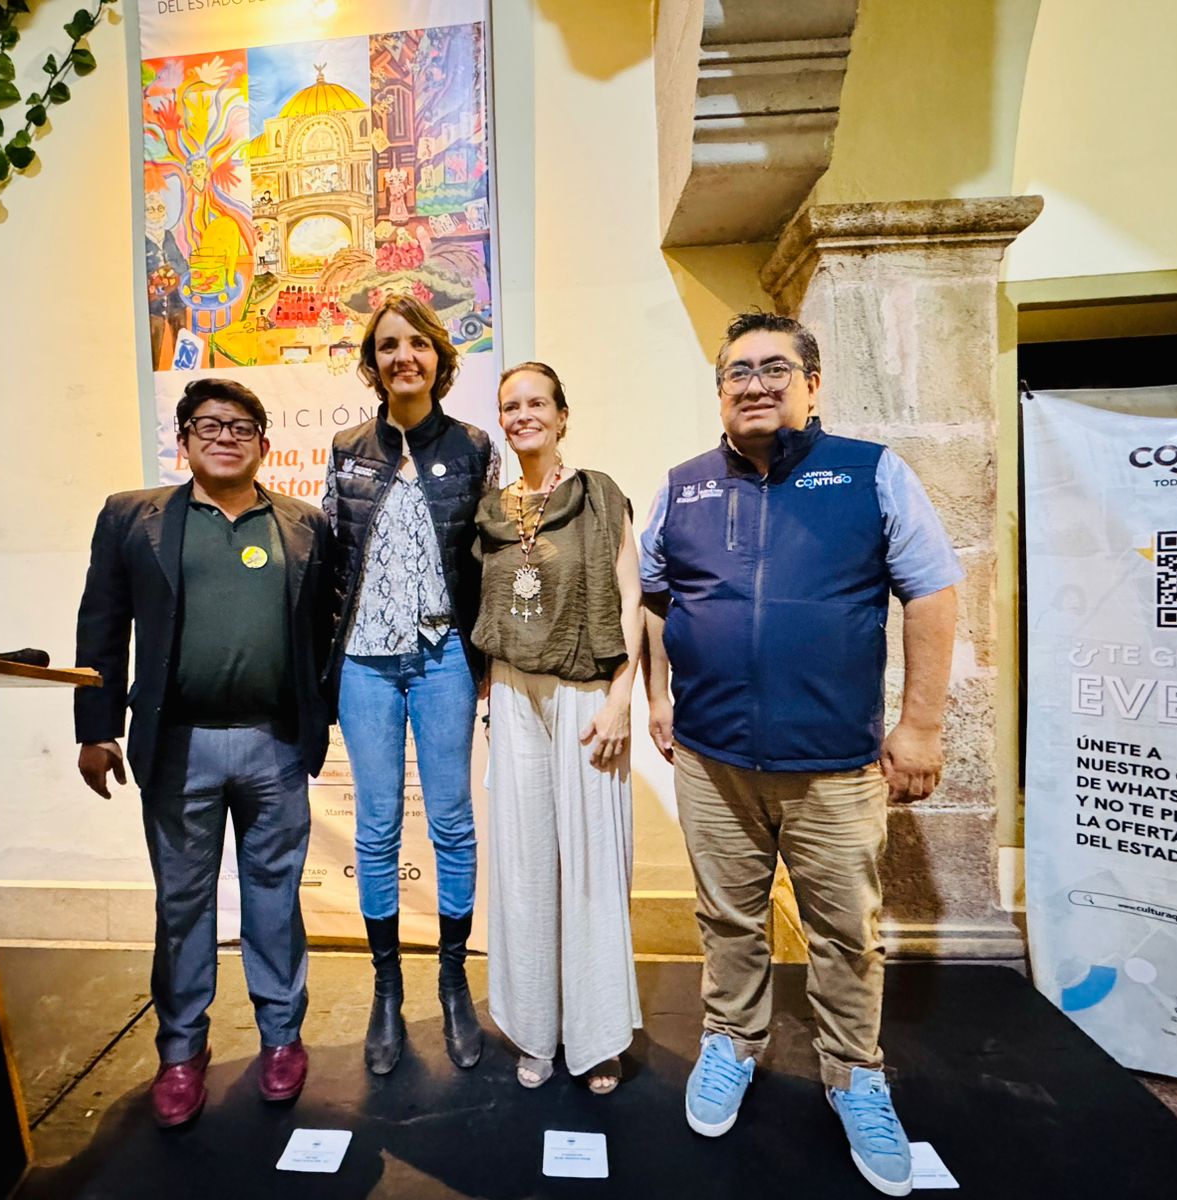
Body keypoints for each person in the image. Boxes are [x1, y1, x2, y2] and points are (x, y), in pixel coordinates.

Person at [640, 312, 962, 1197]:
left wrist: (921, 726)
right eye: (736, 371)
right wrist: (658, 698)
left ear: (812, 383)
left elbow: (932, 593)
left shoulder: (870, 473)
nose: (754, 383)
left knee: (844, 932)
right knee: (728, 919)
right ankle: (731, 1045)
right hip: (713, 762)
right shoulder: (683, 485)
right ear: (719, 391)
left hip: (836, 768)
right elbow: (657, 599)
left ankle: (854, 1073)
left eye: (774, 367)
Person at [74, 378, 334, 1127]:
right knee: (183, 905)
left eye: (242, 425)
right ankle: (181, 1052)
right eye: (208, 424)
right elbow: (102, 624)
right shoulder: (134, 519)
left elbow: (321, 631)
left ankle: (282, 1039)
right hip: (178, 746)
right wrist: (96, 727)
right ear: (183, 439)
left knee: (274, 901)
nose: (225, 435)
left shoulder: (304, 525)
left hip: (274, 746)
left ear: (264, 443)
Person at [322, 294, 499, 1075]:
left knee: (454, 821)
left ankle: (452, 980)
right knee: (377, 825)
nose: (404, 357)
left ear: (438, 356)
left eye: (417, 344)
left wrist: (493, 658)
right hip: (363, 660)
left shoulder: (472, 447)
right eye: (389, 345)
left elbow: (491, 559)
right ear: (374, 362)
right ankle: (386, 988)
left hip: (443, 658)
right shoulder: (345, 447)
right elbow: (329, 558)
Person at [471, 362, 644, 1094]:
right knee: (525, 865)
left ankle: (598, 1035)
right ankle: (536, 1029)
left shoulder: (600, 495)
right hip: (512, 695)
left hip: (584, 693)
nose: (523, 416)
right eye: (510, 406)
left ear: (563, 415)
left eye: (537, 402)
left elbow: (632, 598)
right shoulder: (490, 510)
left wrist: (621, 696)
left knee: (593, 866)